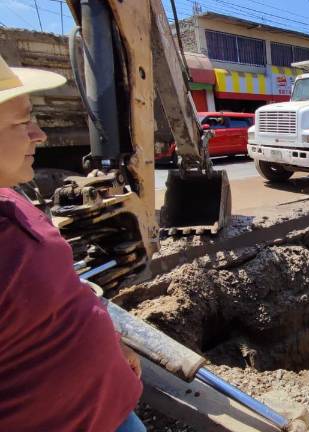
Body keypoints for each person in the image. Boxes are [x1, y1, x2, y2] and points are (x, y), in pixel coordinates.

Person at [0, 56, 145, 431]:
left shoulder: (12, 200)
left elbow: (68, 293)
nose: (40, 135)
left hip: (109, 408)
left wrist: (112, 345)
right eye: (22, 122)